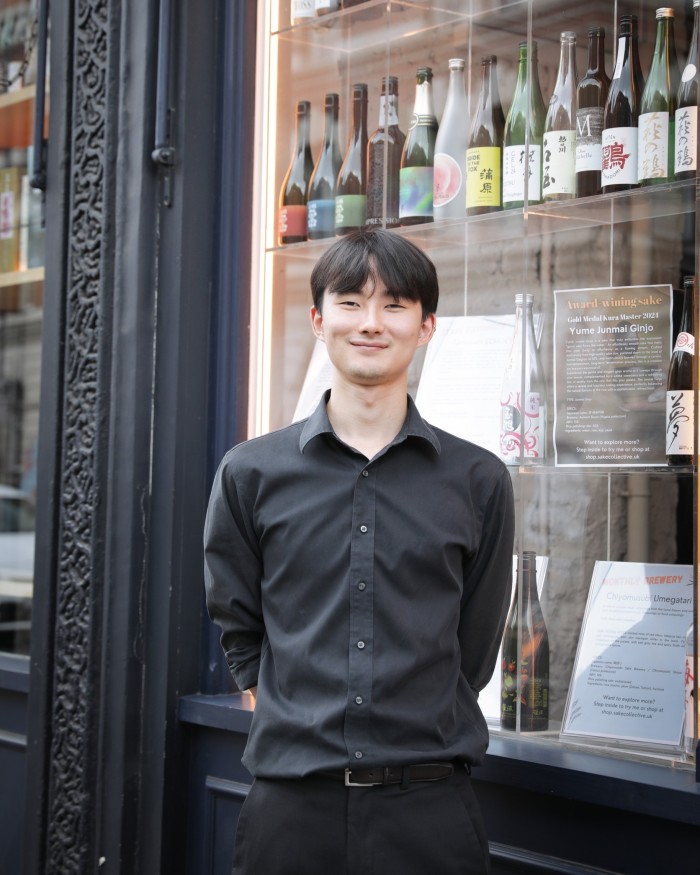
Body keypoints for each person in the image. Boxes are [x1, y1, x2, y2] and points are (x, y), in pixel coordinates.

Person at [204, 228, 515, 875]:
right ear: (318, 319)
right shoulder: (250, 473)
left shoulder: (478, 480)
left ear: (426, 326)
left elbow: (474, 647)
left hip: (430, 814)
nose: (371, 322)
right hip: (291, 810)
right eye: (351, 301)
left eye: (395, 304)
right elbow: (240, 628)